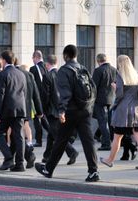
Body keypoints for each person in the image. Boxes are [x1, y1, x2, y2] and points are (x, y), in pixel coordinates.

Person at [35, 44, 100, 182]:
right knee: (88, 141)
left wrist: (62, 111)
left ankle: (48, 169)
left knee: (60, 140)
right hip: (85, 110)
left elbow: (64, 93)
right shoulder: (83, 68)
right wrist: (89, 107)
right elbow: (93, 89)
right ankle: (93, 171)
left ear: (65, 56)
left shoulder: (64, 70)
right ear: (75, 55)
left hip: (71, 111)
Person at [100, 55, 138, 170]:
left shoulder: (120, 75)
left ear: (120, 63)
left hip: (123, 111)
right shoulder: (136, 74)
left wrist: (114, 88)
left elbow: (120, 94)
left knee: (117, 137)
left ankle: (109, 160)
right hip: (137, 109)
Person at [41, 55, 78, 165]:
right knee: (52, 133)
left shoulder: (47, 76)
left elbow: (45, 95)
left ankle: (71, 151)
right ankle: (47, 156)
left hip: (52, 110)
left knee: (57, 134)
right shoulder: (64, 74)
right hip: (65, 108)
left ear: (47, 64)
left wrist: (43, 109)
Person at [0, 51, 27, 172]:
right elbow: (24, 93)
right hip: (20, 108)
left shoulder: (2, 74)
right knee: (18, 136)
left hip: (6, 110)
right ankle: (20, 164)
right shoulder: (21, 74)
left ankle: (8, 158)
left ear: (4, 60)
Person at [14, 58, 43, 169]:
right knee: (23, 129)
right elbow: (36, 94)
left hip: (15, 109)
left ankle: (24, 157)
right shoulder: (30, 75)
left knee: (14, 134)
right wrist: (39, 111)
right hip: (27, 108)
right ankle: (24, 156)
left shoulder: (14, 74)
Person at [92, 53, 117, 151]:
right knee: (106, 121)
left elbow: (94, 86)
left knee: (102, 122)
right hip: (111, 99)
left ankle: (106, 144)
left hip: (100, 100)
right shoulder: (114, 69)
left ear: (98, 61)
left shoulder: (98, 70)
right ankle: (98, 136)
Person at [29, 50, 48, 147]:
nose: (32, 60)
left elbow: (32, 85)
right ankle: (53, 134)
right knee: (44, 119)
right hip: (47, 98)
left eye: (33, 58)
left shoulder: (34, 69)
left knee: (38, 119)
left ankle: (39, 140)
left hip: (38, 98)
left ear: (36, 57)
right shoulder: (47, 67)